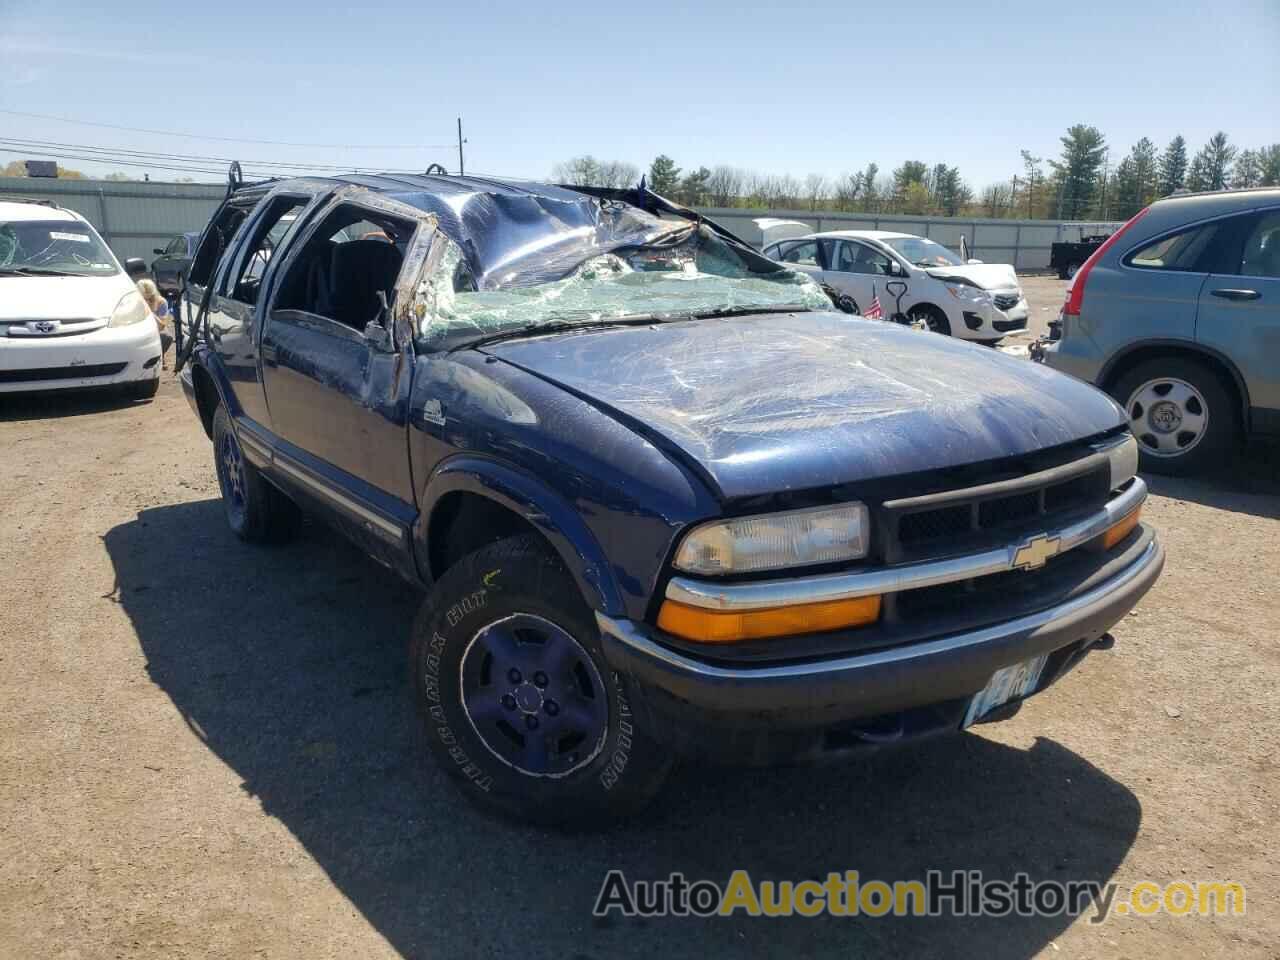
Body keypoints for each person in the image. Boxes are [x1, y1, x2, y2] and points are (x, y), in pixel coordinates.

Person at [136, 278, 173, 369]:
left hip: (155, 330)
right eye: (143, 298)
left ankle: (159, 356)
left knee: (167, 337)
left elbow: (161, 326)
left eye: (150, 298)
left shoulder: (161, 302)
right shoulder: (135, 302)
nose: (147, 300)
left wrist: (150, 312)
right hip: (139, 329)